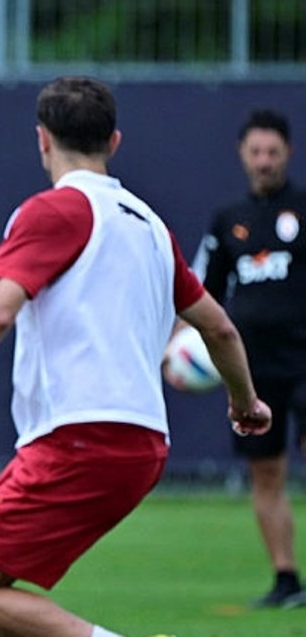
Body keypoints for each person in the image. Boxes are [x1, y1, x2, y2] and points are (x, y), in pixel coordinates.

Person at [0, 76, 272, 637]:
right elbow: (218, 328)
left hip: (78, 439)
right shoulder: (151, 226)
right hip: (143, 445)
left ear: (42, 139)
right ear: (114, 142)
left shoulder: (54, 212)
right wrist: (246, 403)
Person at [191, 108, 306, 608]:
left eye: (272, 152)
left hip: (304, 360)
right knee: (266, 473)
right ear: (242, 154)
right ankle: (286, 580)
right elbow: (202, 295)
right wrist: (178, 347)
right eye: (255, 152)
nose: (264, 161)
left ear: (288, 153)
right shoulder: (228, 220)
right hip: (255, 369)